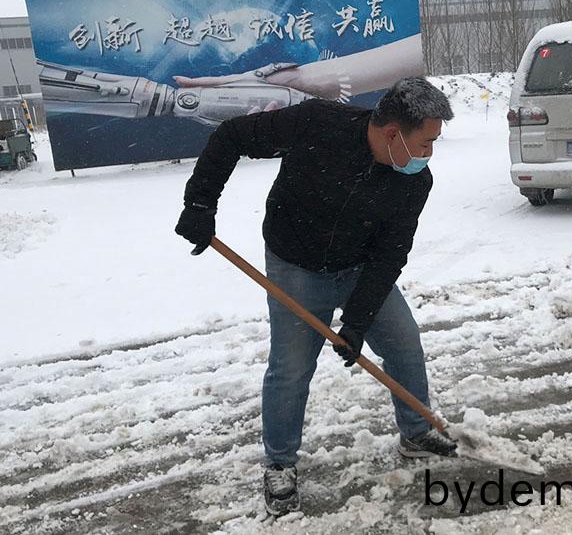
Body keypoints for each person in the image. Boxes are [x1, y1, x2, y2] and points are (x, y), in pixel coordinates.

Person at [174, 77, 456, 516]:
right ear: (391, 133)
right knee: (290, 369)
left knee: (404, 345)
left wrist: (358, 320)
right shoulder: (317, 123)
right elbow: (231, 136)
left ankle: (416, 431)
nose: (429, 154)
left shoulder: (413, 182)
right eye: (425, 142)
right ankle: (280, 464)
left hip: (361, 267)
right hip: (295, 266)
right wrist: (199, 205)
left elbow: (389, 255)